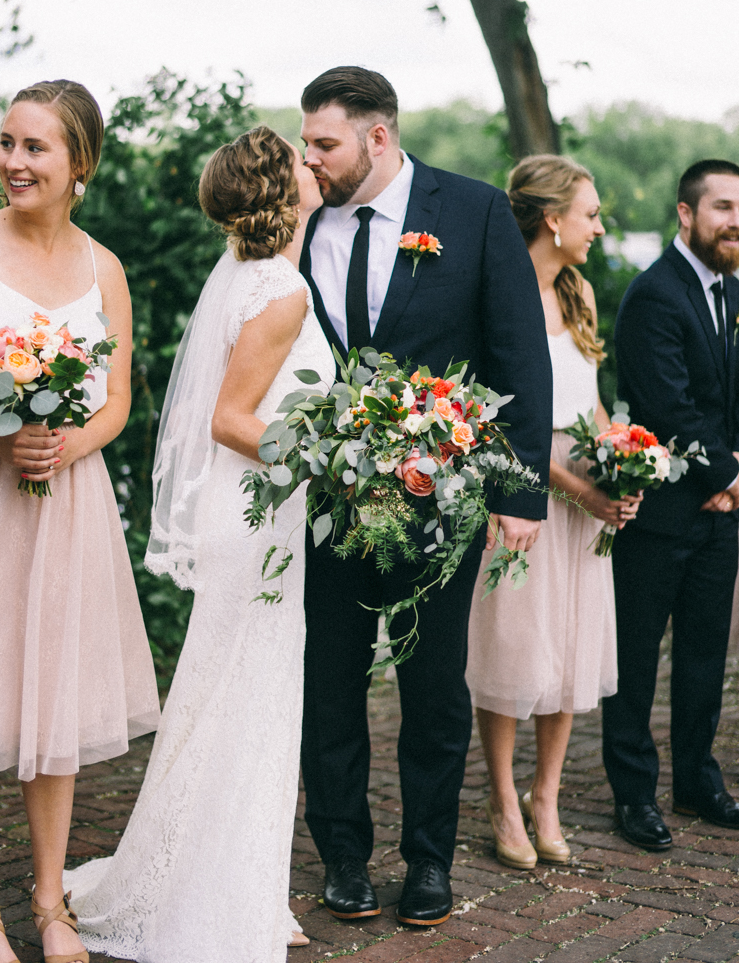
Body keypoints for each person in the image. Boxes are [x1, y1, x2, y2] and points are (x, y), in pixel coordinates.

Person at [63, 126, 333, 962]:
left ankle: (232, 878)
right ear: (280, 191)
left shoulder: (253, 279)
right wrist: (333, 460)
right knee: (248, 703)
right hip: (256, 525)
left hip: (255, 518)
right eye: (300, 157)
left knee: (231, 703)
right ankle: (218, 894)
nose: (314, 163)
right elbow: (230, 420)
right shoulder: (279, 289)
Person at [298, 66, 552, 927]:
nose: (311, 159)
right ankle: (342, 856)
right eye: (306, 142)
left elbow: (520, 353)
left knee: (434, 687)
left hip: (438, 499)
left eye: (324, 143)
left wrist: (519, 493)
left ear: (378, 136)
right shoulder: (300, 221)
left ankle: (429, 860)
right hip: (326, 500)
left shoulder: (473, 210)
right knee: (328, 680)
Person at [0, 80, 160, 963]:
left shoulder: (104, 268)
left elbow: (117, 402)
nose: (14, 163)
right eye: (6, 144)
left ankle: (50, 901)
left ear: (81, 166)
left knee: (52, 700)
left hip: (65, 505)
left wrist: (68, 445)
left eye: (36, 148)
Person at [466, 155, 640, 869]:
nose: (599, 227)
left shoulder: (581, 295)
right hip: (523, 487)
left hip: (583, 493)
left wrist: (625, 457)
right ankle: (503, 799)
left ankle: (548, 796)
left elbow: (587, 399)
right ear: (551, 219)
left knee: (570, 643)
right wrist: (577, 487)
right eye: (591, 214)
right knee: (514, 644)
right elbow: (499, 424)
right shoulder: (493, 297)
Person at [603, 158, 739, 850]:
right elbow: (666, 403)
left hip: (722, 517)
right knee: (634, 660)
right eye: (721, 207)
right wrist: (725, 475)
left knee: (704, 654)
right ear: (686, 214)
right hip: (658, 515)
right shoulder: (655, 294)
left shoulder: (734, 294)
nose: (735, 221)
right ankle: (633, 795)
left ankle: (697, 779)